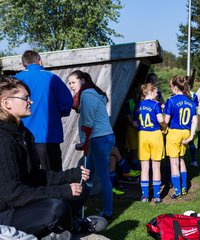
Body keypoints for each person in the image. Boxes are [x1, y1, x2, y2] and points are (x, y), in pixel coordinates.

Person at [0, 76, 96, 239]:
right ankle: (72, 227)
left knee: (81, 189)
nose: (30, 102)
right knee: (56, 208)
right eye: (25, 98)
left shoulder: (24, 134)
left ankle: (67, 224)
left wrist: (73, 175)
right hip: (6, 211)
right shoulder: (3, 139)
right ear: (6, 103)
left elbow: (36, 176)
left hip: (22, 203)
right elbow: (13, 194)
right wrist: (61, 191)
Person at [15, 50, 73, 171]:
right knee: (54, 176)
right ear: (40, 61)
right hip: (48, 136)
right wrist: (55, 113)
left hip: (23, 136)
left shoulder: (16, 80)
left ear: (23, 64)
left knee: (28, 177)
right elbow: (67, 103)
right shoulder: (52, 78)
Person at [68, 70, 115, 220]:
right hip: (101, 138)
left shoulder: (87, 94)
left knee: (102, 177)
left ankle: (108, 212)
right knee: (87, 176)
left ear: (82, 80)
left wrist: (83, 144)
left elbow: (88, 123)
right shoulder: (92, 93)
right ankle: (77, 208)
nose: (71, 86)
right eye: (69, 83)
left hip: (98, 139)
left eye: (73, 82)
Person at [164, 76, 197, 199]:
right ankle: (184, 187)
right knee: (181, 159)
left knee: (173, 163)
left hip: (174, 133)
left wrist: (161, 125)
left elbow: (166, 120)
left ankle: (177, 190)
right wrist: (191, 136)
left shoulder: (171, 101)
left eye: (171, 86)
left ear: (175, 87)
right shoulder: (190, 101)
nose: (171, 89)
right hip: (186, 132)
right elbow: (194, 120)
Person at [133, 83, 165, 204]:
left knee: (144, 167)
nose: (157, 95)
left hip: (142, 136)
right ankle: (157, 196)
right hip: (155, 135)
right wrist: (164, 126)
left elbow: (135, 123)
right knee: (156, 167)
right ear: (150, 92)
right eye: (156, 92)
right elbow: (160, 120)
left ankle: (145, 196)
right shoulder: (156, 105)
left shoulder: (138, 105)